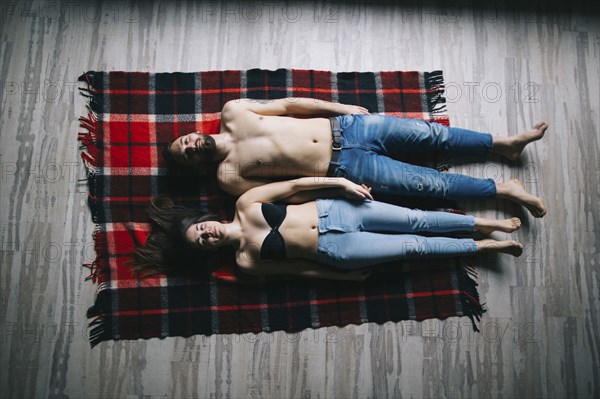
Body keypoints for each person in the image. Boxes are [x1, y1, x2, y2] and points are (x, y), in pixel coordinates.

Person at [163, 98, 547, 217]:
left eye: (185, 142)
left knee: (432, 135)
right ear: (194, 166)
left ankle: (504, 143)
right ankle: (504, 190)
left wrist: (339, 105)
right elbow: (288, 192)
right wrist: (338, 189)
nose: (191, 147)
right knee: (431, 185)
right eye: (186, 156)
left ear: (192, 132)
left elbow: (289, 104)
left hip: (348, 128)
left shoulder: (234, 111)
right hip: (346, 168)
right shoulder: (228, 177)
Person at [134, 177, 526, 282]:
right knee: (415, 247)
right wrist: (343, 280)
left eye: (201, 228)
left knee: (415, 218)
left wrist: (339, 184)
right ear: (206, 251)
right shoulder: (245, 262)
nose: (207, 234)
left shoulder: (245, 203)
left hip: (336, 210)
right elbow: (297, 271)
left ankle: (485, 222)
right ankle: (482, 248)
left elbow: (295, 186)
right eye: (202, 241)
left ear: (204, 219)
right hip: (338, 252)